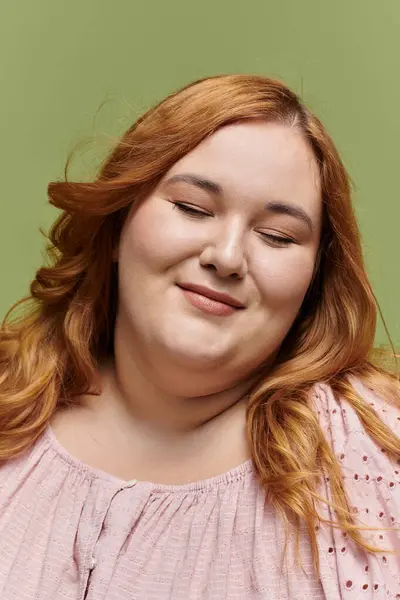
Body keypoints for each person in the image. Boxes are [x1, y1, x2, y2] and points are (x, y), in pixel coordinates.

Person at [0, 74, 399, 600]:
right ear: (117, 224)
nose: (227, 257)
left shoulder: (375, 456)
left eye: (277, 236)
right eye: (192, 208)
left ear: (313, 282)